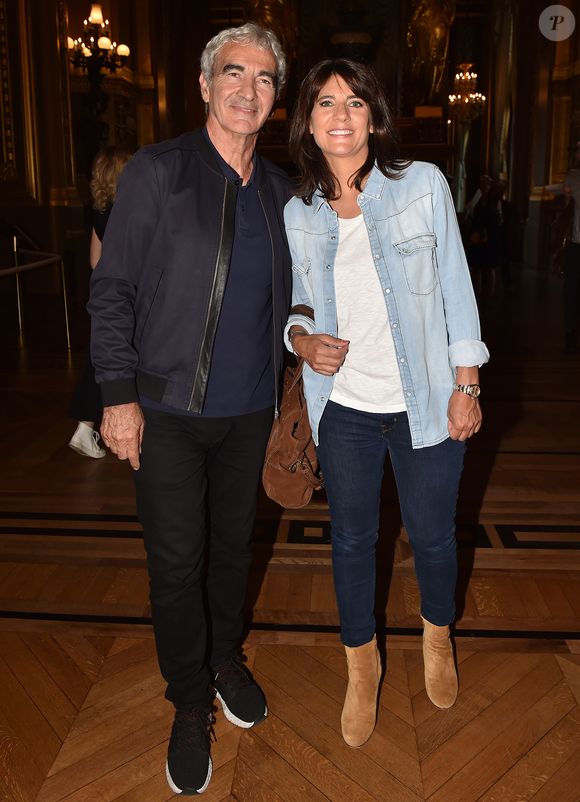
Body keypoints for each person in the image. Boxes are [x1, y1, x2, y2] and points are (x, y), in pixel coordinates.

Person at [88, 23, 291, 795]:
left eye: (265, 78)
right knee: (178, 563)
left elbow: (294, 298)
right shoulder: (159, 171)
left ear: (276, 97)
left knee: (233, 552)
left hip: (248, 415)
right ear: (206, 86)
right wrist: (117, 398)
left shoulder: (279, 191)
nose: (248, 88)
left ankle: (223, 659)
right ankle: (186, 702)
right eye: (233, 73)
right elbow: (113, 291)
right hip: (165, 409)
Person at [284, 58, 489, 748]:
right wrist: (301, 339)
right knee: (352, 541)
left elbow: (457, 285)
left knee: (433, 535)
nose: (340, 115)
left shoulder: (421, 185)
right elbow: (298, 304)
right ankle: (361, 665)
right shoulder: (298, 214)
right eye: (324, 104)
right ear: (307, 122)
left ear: (373, 115)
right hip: (342, 407)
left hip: (427, 400)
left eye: (353, 103)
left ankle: (437, 637)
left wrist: (467, 384)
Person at [68, 146, 133, 458]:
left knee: (99, 361)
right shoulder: (133, 213)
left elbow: (95, 260)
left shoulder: (102, 214)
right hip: (128, 297)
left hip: (104, 296)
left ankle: (84, 426)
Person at [562, 140, 580, 353]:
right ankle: (569, 332)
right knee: (571, 290)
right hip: (576, 243)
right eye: (576, 148)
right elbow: (567, 203)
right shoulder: (573, 177)